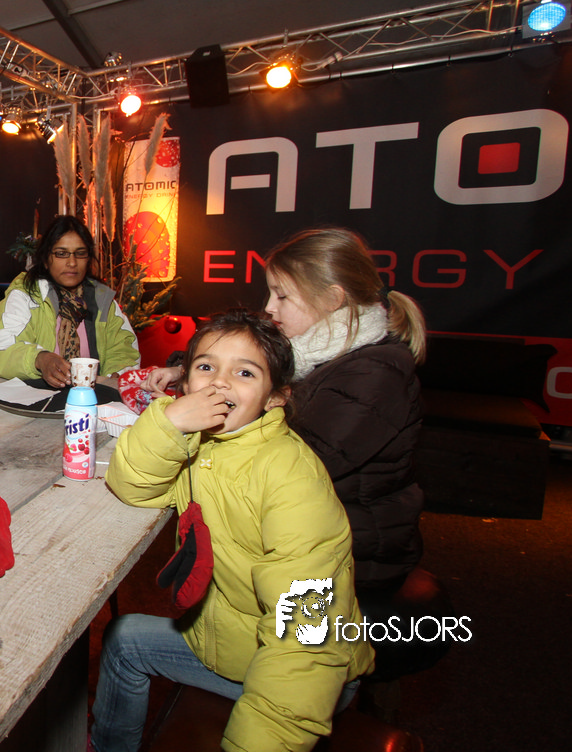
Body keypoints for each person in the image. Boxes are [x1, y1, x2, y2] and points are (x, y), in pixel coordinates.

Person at [94, 309, 374, 752]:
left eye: (244, 372)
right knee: (124, 639)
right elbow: (133, 486)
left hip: (300, 672)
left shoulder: (291, 477)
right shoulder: (199, 445)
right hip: (226, 639)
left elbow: (307, 637)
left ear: (275, 398)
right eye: (206, 367)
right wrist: (168, 425)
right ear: (185, 382)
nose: (220, 383)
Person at [142, 228, 427, 591]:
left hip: (349, 557)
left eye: (282, 295)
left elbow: (297, 461)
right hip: (290, 531)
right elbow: (251, 358)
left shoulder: (376, 374)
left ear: (331, 299)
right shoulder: (316, 352)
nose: (270, 307)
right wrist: (187, 372)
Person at [0, 214, 139, 387]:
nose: (72, 263)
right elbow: (0, 352)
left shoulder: (103, 301)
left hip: (90, 397)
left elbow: (125, 353)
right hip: (35, 397)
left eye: (80, 254)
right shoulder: (27, 296)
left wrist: (114, 378)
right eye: (61, 253)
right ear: (45, 259)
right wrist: (39, 359)